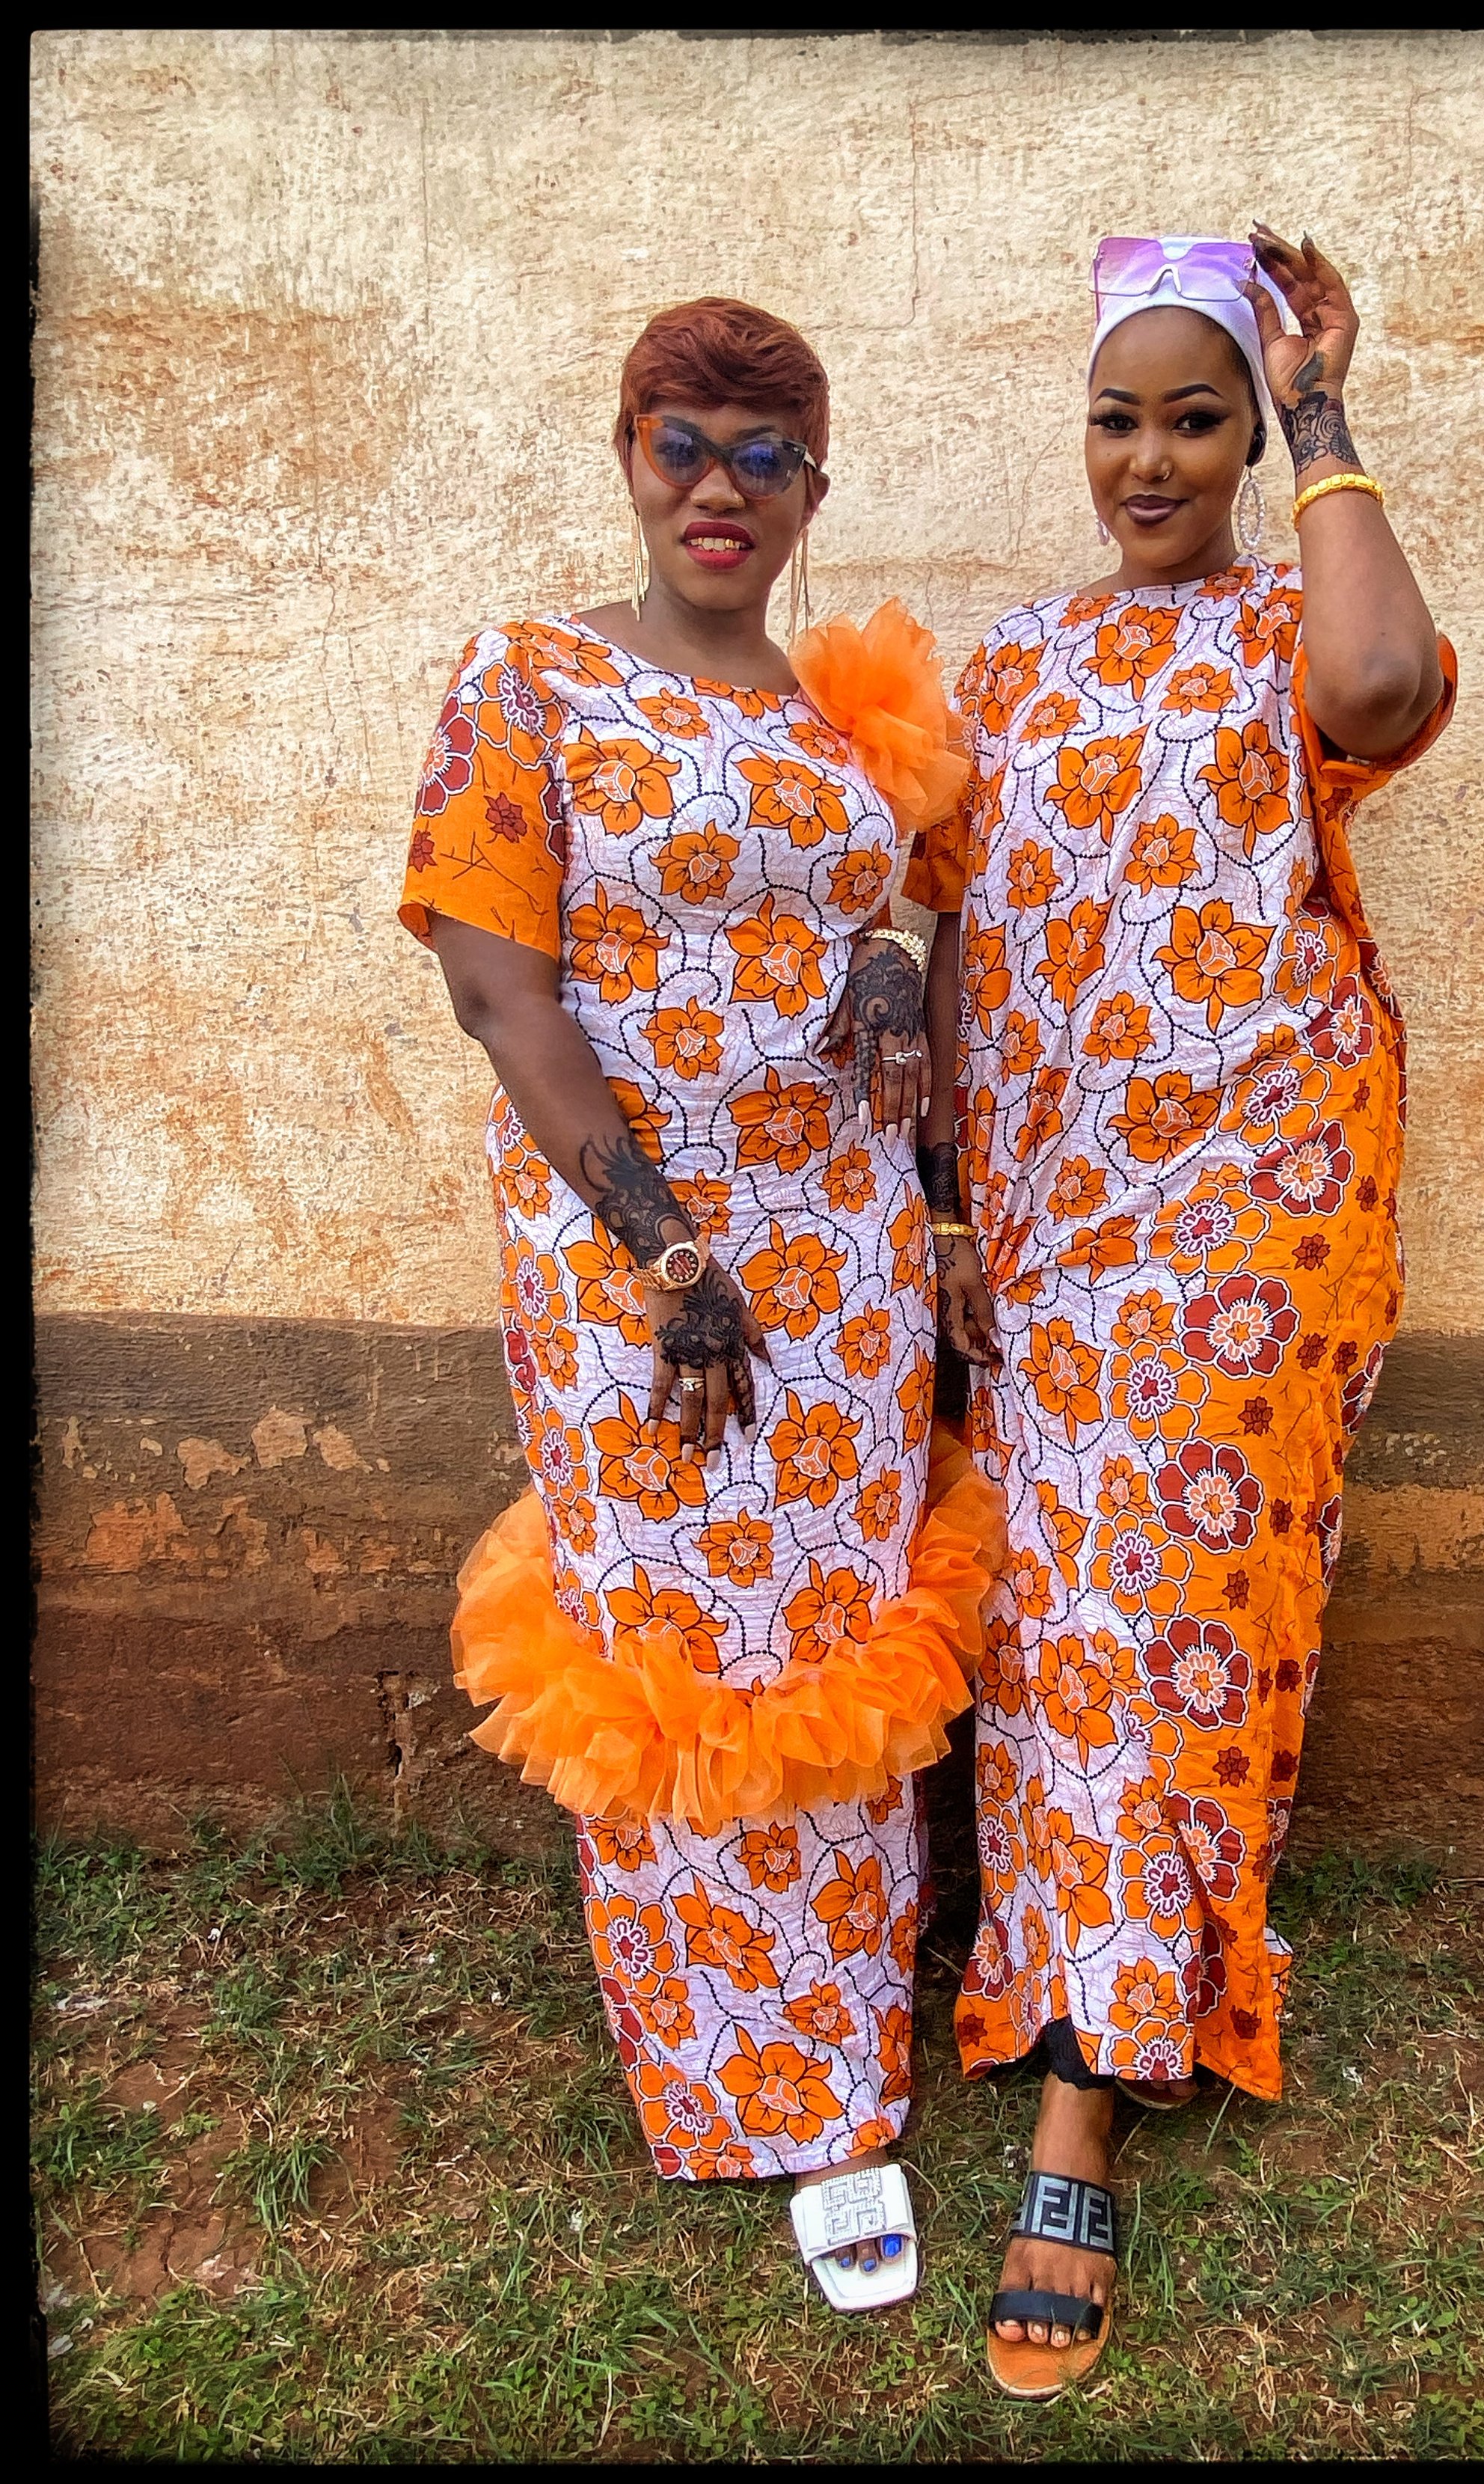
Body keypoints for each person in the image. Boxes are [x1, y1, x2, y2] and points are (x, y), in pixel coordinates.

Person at [399, 296, 1002, 2313]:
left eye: (763, 455)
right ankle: (724, 2080)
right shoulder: (531, 682)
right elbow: (503, 991)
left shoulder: (845, 716)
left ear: (812, 487)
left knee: (834, 1637)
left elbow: (880, 925)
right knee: (673, 1656)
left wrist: (898, 1011)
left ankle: (841, 2080)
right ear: (627, 453)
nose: (719, 489)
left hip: (837, 1271)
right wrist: (664, 1250)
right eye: (683, 442)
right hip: (636, 1280)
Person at [906, 228, 1457, 2395]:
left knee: (1177, 1624)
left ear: (1252, 436)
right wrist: (943, 1202)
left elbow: (1384, 699)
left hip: (1248, 1233)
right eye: (1117, 417)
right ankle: (1066, 1979)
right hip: (1043, 1246)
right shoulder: (1010, 671)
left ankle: (1084, 2103)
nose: (1148, 459)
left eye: (1196, 417)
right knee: (1061, 1634)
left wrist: (1330, 416)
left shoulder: (1278, 629)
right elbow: (946, 950)